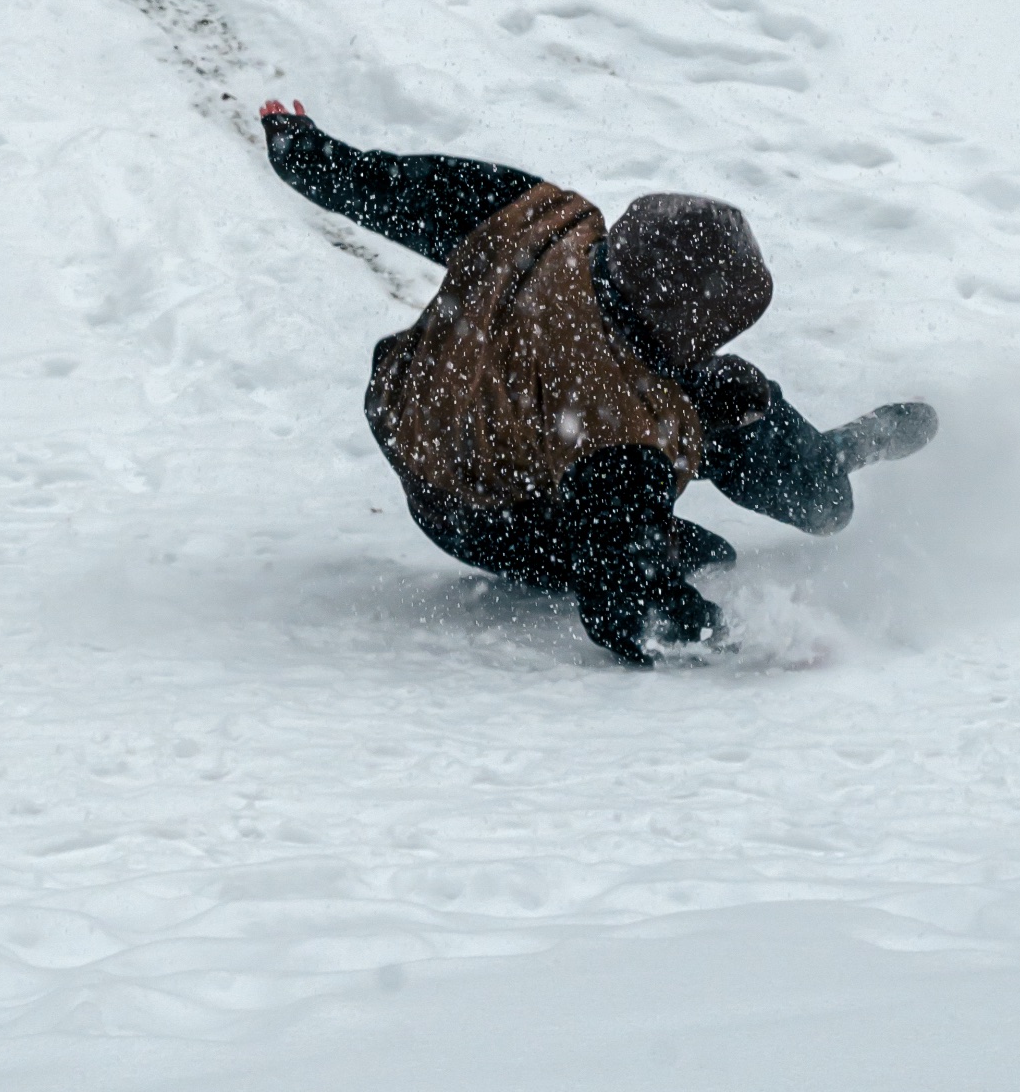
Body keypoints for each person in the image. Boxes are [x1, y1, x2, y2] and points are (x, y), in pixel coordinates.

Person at [260, 102, 938, 668]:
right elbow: (625, 612)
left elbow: (405, 190)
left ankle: (825, 463)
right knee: (709, 481)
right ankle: (820, 481)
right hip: (473, 507)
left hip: (424, 401)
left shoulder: (546, 219)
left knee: (722, 396)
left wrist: (307, 152)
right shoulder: (619, 437)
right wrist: (753, 640)